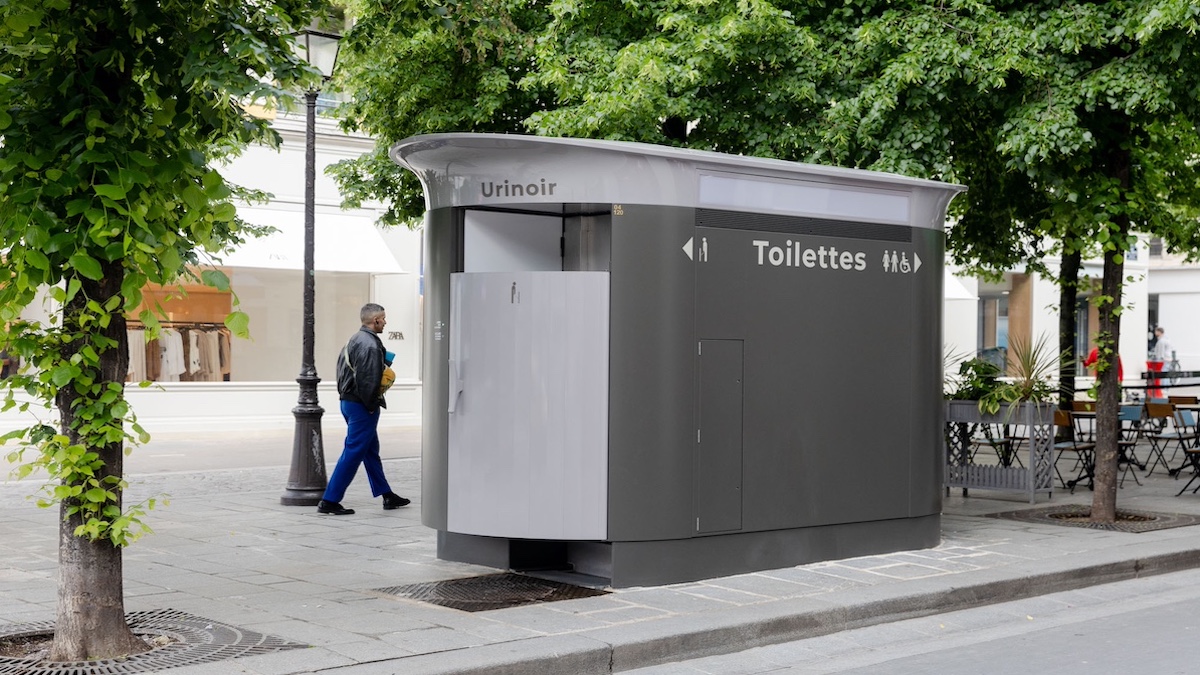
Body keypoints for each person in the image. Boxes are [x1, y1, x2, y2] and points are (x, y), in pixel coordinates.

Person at [317, 303, 410, 515]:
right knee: (354, 451)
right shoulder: (369, 344)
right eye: (384, 318)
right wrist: (369, 405)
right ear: (375, 320)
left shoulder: (355, 339)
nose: (385, 322)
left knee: (369, 450)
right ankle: (329, 500)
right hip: (361, 404)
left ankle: (386, 494)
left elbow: (345, 372)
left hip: (349, 402)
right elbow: (368, 379)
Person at [1147, 326, 1174, 399]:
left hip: (1163, 360)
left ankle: (1164, 388)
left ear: (1159, 332)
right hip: (1168, 359)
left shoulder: (1161, 341)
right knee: (1166, 373)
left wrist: (1158, 359)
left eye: (1156, 331)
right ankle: (1166, 388)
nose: (1155, 333)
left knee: (1163, 374)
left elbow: (1160, 353)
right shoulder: (1167, 339)